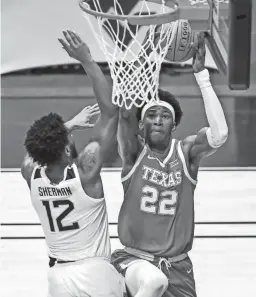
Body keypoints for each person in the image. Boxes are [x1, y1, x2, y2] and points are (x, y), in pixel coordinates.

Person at [111, 33, 229, 297]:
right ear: (141, 125)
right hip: (134, 261)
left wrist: (202, 77)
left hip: (178, 267)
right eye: (151, 115)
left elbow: (219, 135)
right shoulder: (133, 153)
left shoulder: (186, 152)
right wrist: (144, 59)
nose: (157, 120)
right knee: (151, 283)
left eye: (165, 116)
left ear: (174, 125)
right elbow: (125, 113)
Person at [21, 30, 123, 297]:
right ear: (67, 147)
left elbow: (34, 145)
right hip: (95, 274)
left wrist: (68, 126)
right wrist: (87, 60)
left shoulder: (31, 172)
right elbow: (111, 112)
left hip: (59, 278)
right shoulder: (85, 172)